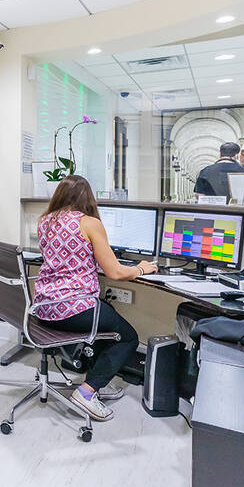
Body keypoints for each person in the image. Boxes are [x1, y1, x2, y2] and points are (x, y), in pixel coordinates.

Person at [33, 175, 158, 422]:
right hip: (73, 310)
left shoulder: (44, 220)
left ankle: (96, 381)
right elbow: (115, 272)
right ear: (88, 198)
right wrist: (142, 268)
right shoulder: (89, 223)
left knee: (107, 314)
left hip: (44, 308)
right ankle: (87, 392)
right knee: (127, 337)